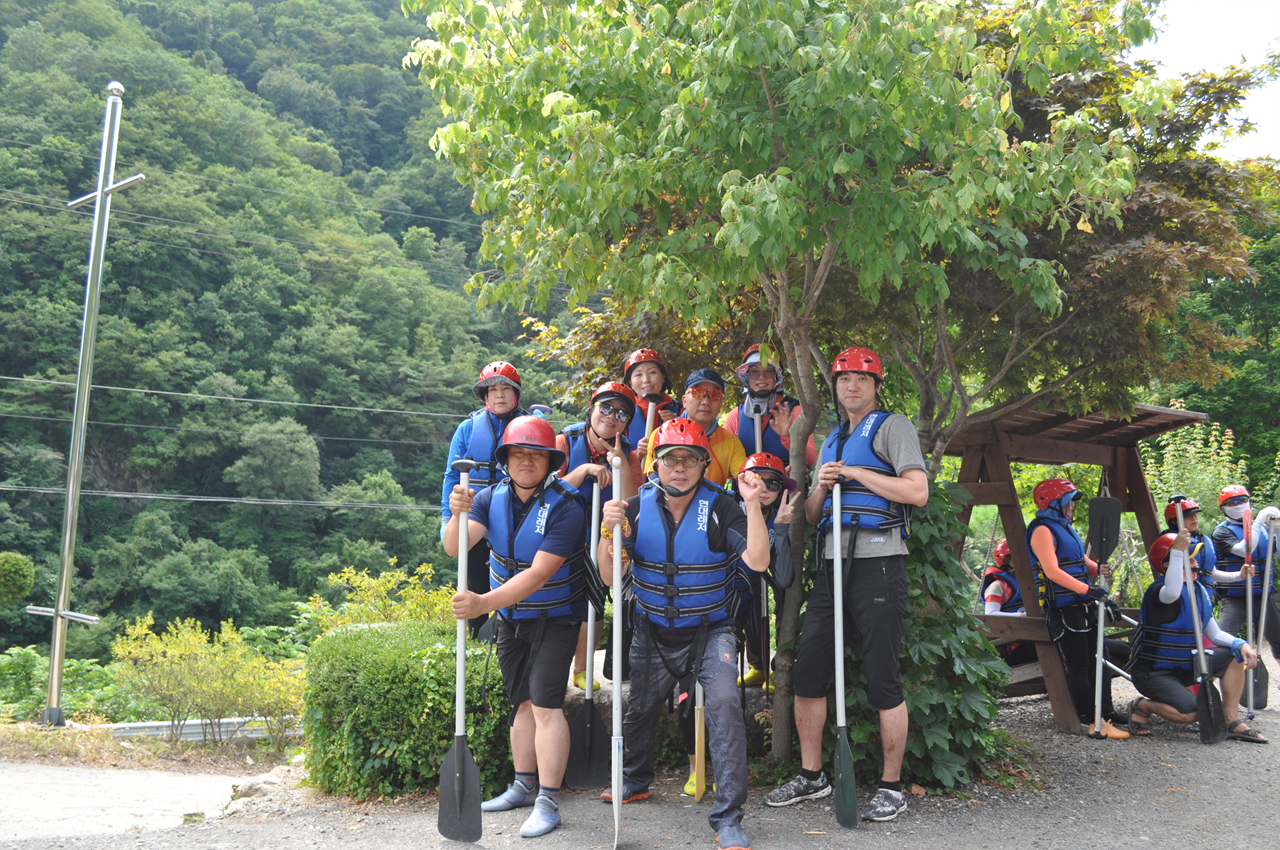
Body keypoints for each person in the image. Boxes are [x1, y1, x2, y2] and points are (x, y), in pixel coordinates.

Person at [765, 346, 929, 823]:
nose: (851, 386)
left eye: (861, 378)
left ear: (876, 386)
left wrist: (856, 473)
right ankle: (812, 775)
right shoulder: (833, 439)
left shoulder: (893, 427)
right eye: (843, 379)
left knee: (882, 676)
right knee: (809, 670)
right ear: (835, 387)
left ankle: (891, 787)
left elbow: (917, 491)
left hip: (880, 563)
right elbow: (814, 514)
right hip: (831, 565)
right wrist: (820, 486)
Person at [597, 419, 771, 850]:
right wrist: (607, 530)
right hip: (653, 630)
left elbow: (758, 561)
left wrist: (752, 506)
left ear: (703, 465)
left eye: (690, 460)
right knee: (640, 707)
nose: (679, 467)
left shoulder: (723, 507)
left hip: (712, 630)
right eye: (670, 459)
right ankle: (635, 779)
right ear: (654, 464)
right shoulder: (633, 508)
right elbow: (609, 574)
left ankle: (729, 817)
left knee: (725, 704)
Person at [443, 415, 590, 837]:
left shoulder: (567, 506)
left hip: (556, 618)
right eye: (518, 453)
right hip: (511, 620)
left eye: (536, 454)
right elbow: (454, 547)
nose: (526, 461)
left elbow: (539, 574)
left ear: (550, 462)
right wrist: (457, 514)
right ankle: (523, 786)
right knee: (521, 704)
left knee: (545, 706)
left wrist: (482, 604)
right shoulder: (489, 498)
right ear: (505, 459)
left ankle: (548, 800)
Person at [674, 452, 800, 794]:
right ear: (741, 480)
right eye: (756, 479)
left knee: (722, 694)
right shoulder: (722, 508)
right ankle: (695, 767)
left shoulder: (775, 519)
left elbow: (783, 579)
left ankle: (723, 769)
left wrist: (781, 530)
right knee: (688, 688)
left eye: (773, 483)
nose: (764, 488)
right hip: (696, 610)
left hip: (733, 619)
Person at [1126, 529, 1267, 742]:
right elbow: (1172, 591)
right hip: (1152, 673)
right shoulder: (1160, 592)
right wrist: (1176, 551)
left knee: (1233, 654)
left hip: (1184, 667)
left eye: (1192, 558)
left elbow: (1215, 634)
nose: (1194, 563)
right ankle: (1142, 706)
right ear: (1168, 564)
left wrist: (1241, 644)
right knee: (1194, 713)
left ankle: (1231, 720)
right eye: (1187, 558)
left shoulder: (1198, 591)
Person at [1025, 477, 1129, 739]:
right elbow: (1051, 570)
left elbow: (1079, 560)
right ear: (1052, 503)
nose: (1072, 506)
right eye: (1068, 502)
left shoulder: (1065, 528)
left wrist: (1098, 569)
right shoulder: (1042, 530)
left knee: (1099, 656)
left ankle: (1105, 711)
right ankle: (1093, 721)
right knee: (1080, 665)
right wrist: (1087, 589)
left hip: (1081, 605)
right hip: (1063, 610)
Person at [556, 381, 642, 690]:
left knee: (594, 602)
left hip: (603, 535)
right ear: (591, 409)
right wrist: (584, 471)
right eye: (605, 408)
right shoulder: (565, 442)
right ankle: (556, 668)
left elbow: (634, 503)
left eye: (621, 413)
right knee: (562, 603)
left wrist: (620, 465)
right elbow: (548, 492)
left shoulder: (629, 453)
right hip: (564, 533)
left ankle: (582, 669)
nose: (611, 416)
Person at [442, 361, 530, 636]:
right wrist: (447, 519)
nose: (499, 395)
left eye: (506, 389)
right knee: (475, 582)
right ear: (485, 396)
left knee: (515, 583)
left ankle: (514, 637)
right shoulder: (467, 429)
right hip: (476, 515)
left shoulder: (528, 426)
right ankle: (476, 639)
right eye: (493, 390)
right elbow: (451, 477)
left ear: (516, 394)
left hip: (516, 515)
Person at [1210, 486, 1280, 663]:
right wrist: (1259, 520)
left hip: (1263, 597)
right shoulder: (1222, 531)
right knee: (1224, 645)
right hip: (1235, 598)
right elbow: (1245, 550)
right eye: (1232, 503)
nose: (1238, 505)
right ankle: (1219, 677)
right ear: (1223, 508)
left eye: (1242, 500)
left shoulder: (1265, 530)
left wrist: (1278, 529)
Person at [642, 369, 746, 488]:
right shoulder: (660, 435)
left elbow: (744, 478)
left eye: (714, 395)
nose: (705, 401)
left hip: (713, 500)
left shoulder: (731, 442)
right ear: (684, 401)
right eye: (698, 393)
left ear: (721, 404)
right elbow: (654, 481)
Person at [722, 345, 817, 470]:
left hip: (787, 482)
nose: (761, 377)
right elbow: (723, 464)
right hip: (746, 481)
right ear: (747, 376)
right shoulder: (736, 416)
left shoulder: (794, 410)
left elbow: (811, 459)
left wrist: (788, 438)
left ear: (776, 376)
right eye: (754, 371)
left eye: (768, 371)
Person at [980, 540, 1037, 666]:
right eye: (1021, 555)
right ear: (1006, 560)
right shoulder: (997, 587)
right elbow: (990, 616)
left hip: (1035, 637)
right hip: (1017, 646)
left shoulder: (1033, 582)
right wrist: (1022, 616)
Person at [621, 348, 678, 455]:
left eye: (652, 372)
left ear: (663, 377)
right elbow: (615, 456)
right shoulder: (622, 414)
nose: (646, 380)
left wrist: (679, 425)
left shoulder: (680, 411)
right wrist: (636, 455)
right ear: (630, 382)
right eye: (638, 375)